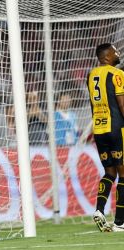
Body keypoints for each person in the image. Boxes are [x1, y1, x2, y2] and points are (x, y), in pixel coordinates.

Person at [88, 43, 124, 232]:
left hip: (99, 129)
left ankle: (99, 210)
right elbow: (121, 103)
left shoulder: (91, 75)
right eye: (115, 51)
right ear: (107, 56)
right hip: (117, 128)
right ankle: (120, 222)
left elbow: (92, 106)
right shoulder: (117, 74)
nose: (118, 53)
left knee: (110, 173)